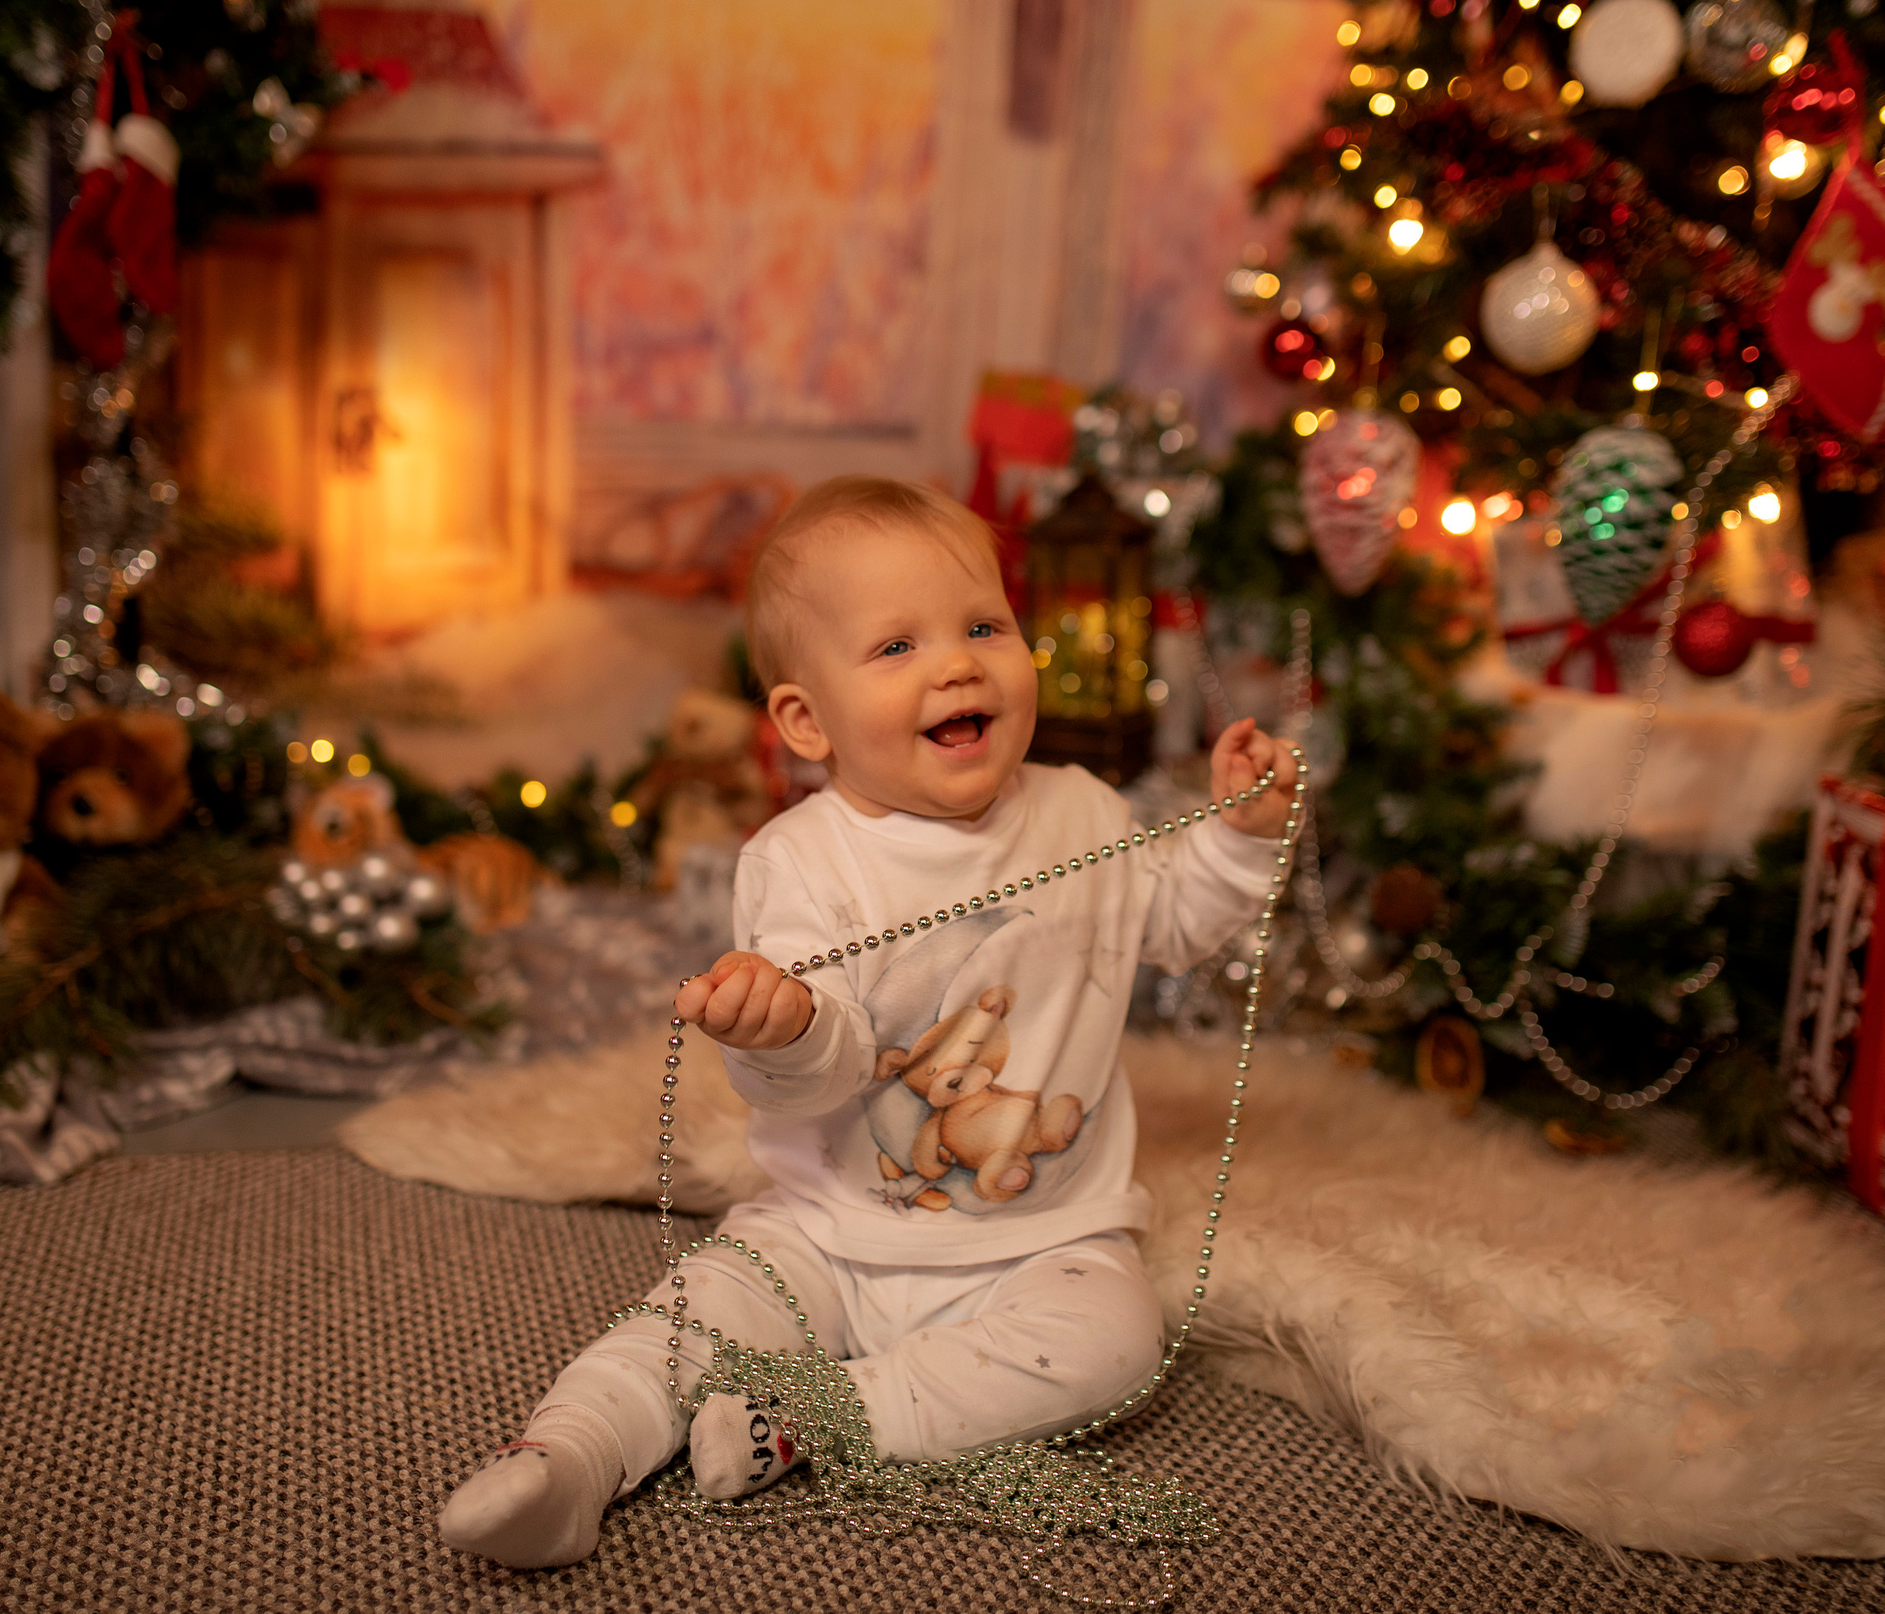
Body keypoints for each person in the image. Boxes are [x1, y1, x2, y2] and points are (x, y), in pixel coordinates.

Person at [440, 476, 1298, 1567]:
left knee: (1120, 1342)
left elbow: (1171, 921)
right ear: (807, 721)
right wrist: (784, 1025)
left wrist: (1238, 839)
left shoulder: (1082, 808)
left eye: (984, 626)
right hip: (829, 1229)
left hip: (1039, 1243)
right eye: (895, 647)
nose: (956, 663)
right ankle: (569, 1455)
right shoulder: (802, 863)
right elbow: (821, 1068)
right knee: (700, 1308)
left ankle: (829, 1414)